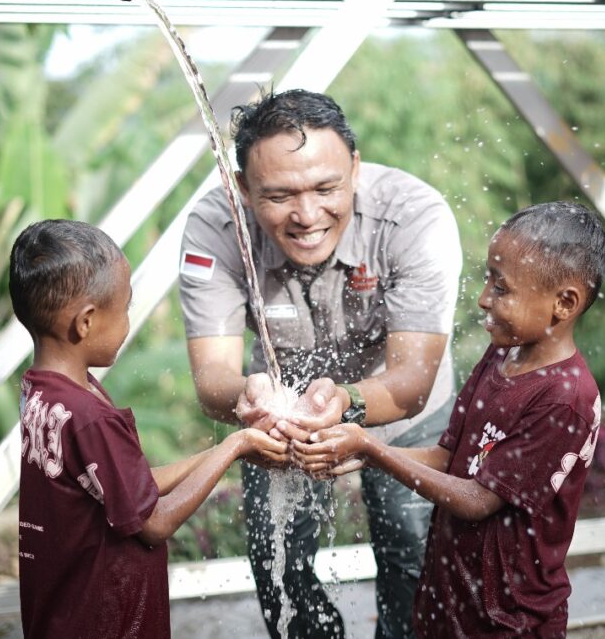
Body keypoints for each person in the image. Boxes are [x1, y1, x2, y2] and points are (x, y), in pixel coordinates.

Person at [179, 89, 462, 638]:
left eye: (327, 188)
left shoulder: (413, 217)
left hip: (402, 413)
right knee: (276, 556)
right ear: (242, 188)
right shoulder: (215, 229)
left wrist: (349, 403)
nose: (307, 216)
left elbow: (411, 383)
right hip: (279, 417)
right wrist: (249, 396)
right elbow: (212, 379)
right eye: (280, 196)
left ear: (354, 168)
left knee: (410, 543)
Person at [290, 201, 605, 638]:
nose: (483, 298)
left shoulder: (564, 397)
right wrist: (357, 456)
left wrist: (372, 449)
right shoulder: (502, 355)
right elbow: (447, 456)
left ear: (564, 302)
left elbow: (478, 500)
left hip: (510, 618)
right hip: (449, 596)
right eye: (487, 280)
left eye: (502, 288)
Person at [10, 219, 287, 639]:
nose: (126, 323)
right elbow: (153, 522)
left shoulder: (45, 394)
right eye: (123, 310)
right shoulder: (90, 416)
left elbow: (131, 488)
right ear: (85, 322)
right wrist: (235, 445)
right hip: (108, 625)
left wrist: (232, 449)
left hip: (63, 615)